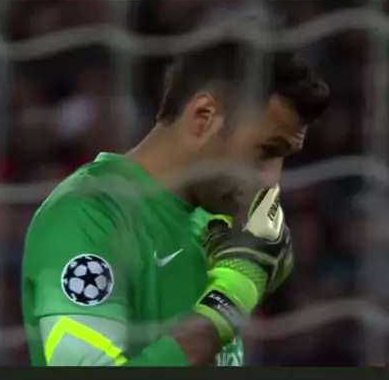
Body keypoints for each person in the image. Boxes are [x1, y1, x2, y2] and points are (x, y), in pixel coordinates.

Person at [21, 42, 330, 366]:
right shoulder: (89, 214)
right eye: (266, 151)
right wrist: (231, 299)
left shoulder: (218, 227)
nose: (271, 180)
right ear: (203, 118)